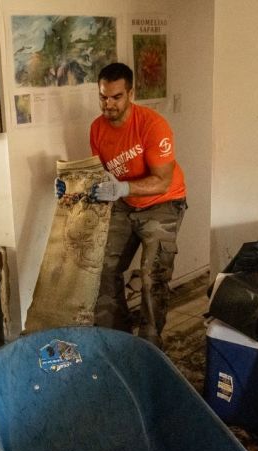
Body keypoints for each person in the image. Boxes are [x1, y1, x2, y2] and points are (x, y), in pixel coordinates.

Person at [57, 62, 187, 347]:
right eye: (103, 96)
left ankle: (150, 344)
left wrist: (124, 187)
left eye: (116, 97)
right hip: (125, 203)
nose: (109, 104)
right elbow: (100, 172)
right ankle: (118, 339)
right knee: (100, 266)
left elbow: (162, 181)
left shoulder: (153, 125)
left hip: (162, 202)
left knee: (153, 274)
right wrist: (76, 189)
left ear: (131, 93)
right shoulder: (97, 129)